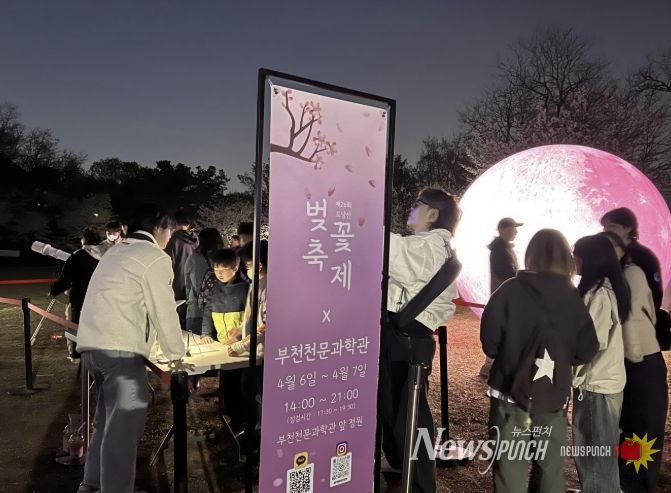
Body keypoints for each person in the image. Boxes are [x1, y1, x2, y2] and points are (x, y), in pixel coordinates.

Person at [75, 204, 187, 493]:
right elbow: (163, 310)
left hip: (93, 346)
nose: (170, 237)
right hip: (120, 350)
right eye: (170, 230)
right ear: (160, 226)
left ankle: (92, 483)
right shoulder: (153, 257)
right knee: (123, 430)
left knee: (105, 422)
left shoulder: (116, 251)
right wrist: (176, 355)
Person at [480, 229, 599, 493]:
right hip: (553, 396)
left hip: (508, 392)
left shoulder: (509, 290)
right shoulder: (572, 297)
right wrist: (561, 359)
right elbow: (587, 348)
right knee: (550, 469)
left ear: (530, 255)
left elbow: (490, 343)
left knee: (509, 468)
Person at [380, 187, 460, 493]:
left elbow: (391, 252)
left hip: (407, 338)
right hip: (410, 336)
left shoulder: (429, 245)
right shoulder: (434, 245)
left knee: (409, 415)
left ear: (433, 213)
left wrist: (360, 219)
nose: (411, 208)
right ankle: (407, 473)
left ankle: (419, 483)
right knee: (404, 411)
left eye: (417, 204)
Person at [600, 231, 668, 493]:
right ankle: (625, 483)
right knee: (628, 429)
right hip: (631, 364)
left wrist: (633, 357)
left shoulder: (630, 275)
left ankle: (635, 485)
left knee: (641, 433)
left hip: (641, 364)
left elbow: (632, 322)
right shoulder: (616, 277)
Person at [571, 234, 631, 492]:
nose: (574, 259)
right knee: (597, 453)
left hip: (596, 384)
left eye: (576, 254)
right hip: (602, 381)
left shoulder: (599, 295)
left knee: (594, 456)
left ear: (590, 259)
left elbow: (590, 344)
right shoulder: (603, 289)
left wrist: (568, 370)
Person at [50, 226, 103, 360]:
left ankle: (76, 353)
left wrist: (54, 290)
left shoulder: (79, 255)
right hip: (100, 298)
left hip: (80, 297)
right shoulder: (106, 255)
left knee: (76, 326)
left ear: (84, 239)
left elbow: (66, 277)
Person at [480, 217, 523, 378]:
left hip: (504, 296)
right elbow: (507, 274)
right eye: (513, 227)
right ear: (503, 230)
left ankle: (490, 365)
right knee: (502, 329)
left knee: (502, 329)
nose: (516, 231)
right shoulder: (500, 250)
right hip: (504, 297)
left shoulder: (503, 248)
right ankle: (490, 366)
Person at [601, 208, 663, 308]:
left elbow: (655, 292)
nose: (607, 230)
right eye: (604, 227)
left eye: (612, 226)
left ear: (628, 227)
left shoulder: (642, 255)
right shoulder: (607, 252)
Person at [184, 227, 224, 332]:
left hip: (196, 310)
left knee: (195, 339)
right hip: (219, 310)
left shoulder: (194, 258)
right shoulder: (222, 259)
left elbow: (189, 284)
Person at [165, 210, 199, 327]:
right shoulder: (196, 240)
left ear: (173, 223)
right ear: (188, 224)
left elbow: (168, 265)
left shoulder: (172, 240)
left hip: (177, 287)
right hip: (193, 286)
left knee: (177, 324)